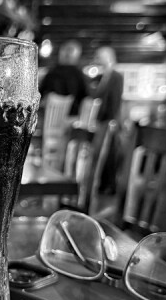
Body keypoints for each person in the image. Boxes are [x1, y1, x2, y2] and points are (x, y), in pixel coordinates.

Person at [89, 46, 123, 194]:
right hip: (102, 120)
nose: (97, 60)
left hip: (110, 120)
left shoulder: (116, 76)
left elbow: (116, 100)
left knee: (109, 153)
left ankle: (110, 186)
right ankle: (102, 184)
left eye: (99, 57)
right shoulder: (103, 76)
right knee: (102, 152)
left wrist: (113, 120)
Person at [39, 40, 87, 115]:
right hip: (72, 115)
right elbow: (85, 96)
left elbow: (40, 93)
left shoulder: (53, 72)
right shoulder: (78, 74)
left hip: (52, 115)